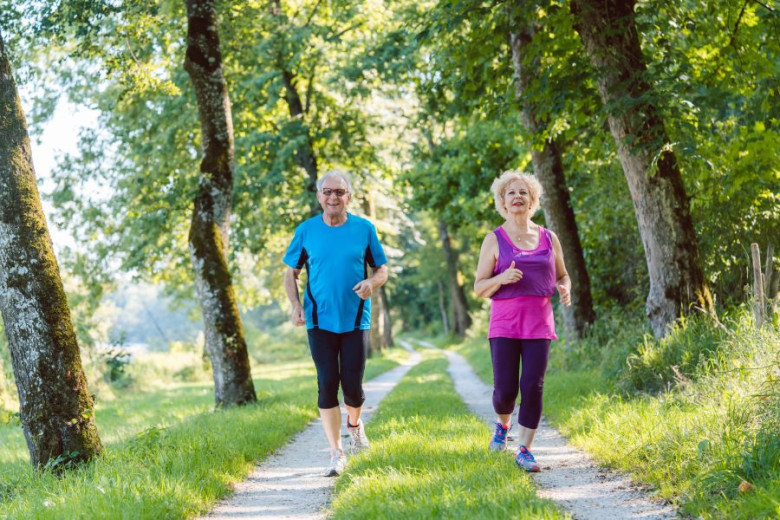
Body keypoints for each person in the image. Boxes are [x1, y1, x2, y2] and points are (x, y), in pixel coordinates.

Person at [283, 170, 389, 477]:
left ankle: (354, 424)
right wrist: (295, 306)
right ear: (318, 196)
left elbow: (382, 268)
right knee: (327, 384)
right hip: (319, 319)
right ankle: (336, 452)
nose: (333, 197)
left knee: (352, 389)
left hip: (356, 319)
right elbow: (290, 272)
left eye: (339, 192)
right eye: (327, 192)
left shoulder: (364, 229)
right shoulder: (306, 231)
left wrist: (373, 282)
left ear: (349, 197)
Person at [473, 170, 571, 472]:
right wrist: (501, 277)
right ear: (503, 201)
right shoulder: (494, 240)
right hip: (504, 323)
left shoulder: (548, 238)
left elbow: (563, 274)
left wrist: (565, 286)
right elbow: (479, 287)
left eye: (523, 193)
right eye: (511, 193)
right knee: (504, 390)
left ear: (532, 201)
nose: (517, 197)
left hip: (539, 323)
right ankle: (502, 425)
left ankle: (525, 449)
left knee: (533, 385)